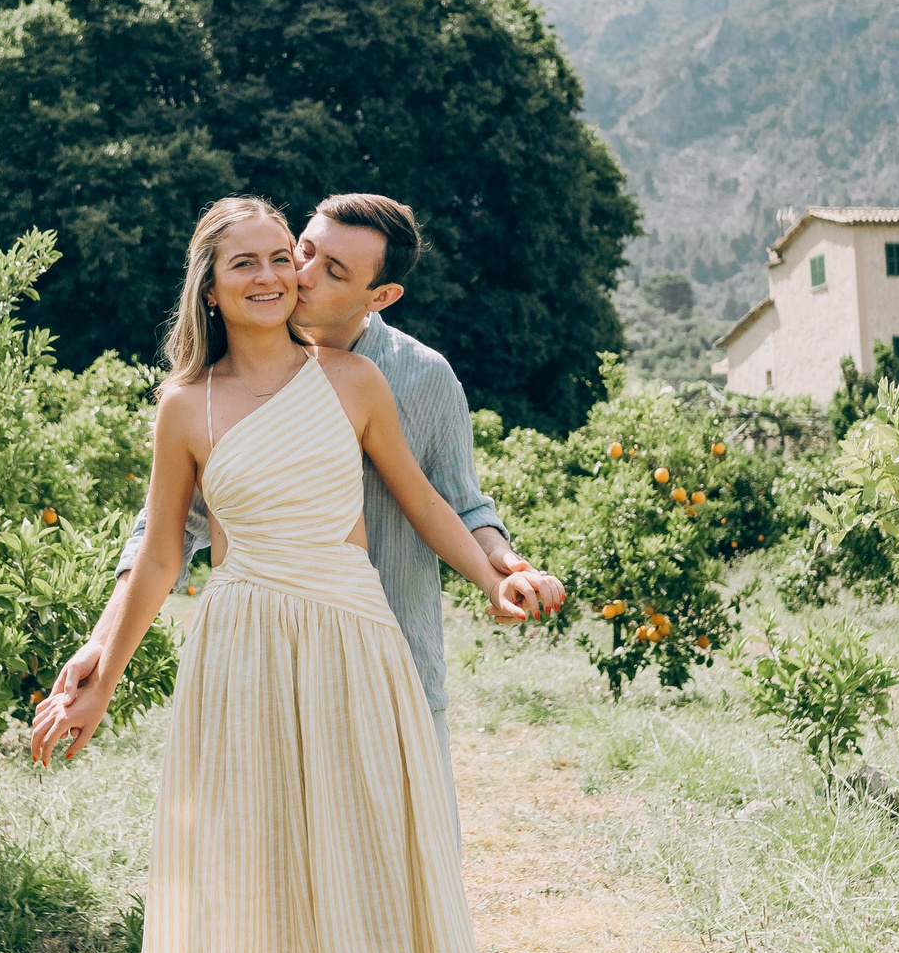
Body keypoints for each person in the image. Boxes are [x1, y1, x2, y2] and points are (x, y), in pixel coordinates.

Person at [32, 196, 553, 953]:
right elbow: (159, 552)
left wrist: (495, 574)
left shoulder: (359, 379)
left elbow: (433, 501)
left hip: (359, 652)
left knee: (369, 898)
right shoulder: (183, 406)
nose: (278, 274)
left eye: (288, 257)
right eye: (254, 262)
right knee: (251, 900)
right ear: (213, 286)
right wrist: (99, 671)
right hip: (240, 660)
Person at [74, 191, 549, 811]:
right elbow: (163, 540)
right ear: (210, 288)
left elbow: (448, 504)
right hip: (254, 654)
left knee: (396, 876)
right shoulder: (201, 397)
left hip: (388, 653)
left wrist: (501, 574)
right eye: (303, 251)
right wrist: (103, 651)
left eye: (332, 271)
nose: (294, 275)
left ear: (380, 296)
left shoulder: (405, 377)